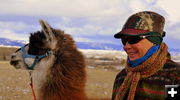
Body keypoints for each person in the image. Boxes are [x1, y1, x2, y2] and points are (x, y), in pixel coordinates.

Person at [112, 11, 180, 100]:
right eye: (124, 40)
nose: (126, 46)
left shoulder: (174, 76)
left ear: (153, 40)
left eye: (133, 39)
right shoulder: (122, 77)